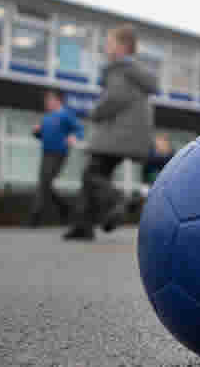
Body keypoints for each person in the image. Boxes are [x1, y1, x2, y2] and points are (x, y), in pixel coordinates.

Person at [63, 24, 158, 241]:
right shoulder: (134, 72)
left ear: (122, 46)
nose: (106, 48)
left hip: (117, 133)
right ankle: (83, 225)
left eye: (109, 43)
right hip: (130, 135)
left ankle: (116, 201)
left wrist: (94, 112)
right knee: (95, 174)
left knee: (92, 174)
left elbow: (114, 98)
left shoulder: (121, 69)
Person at [29, 89, 83, 227]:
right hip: (46, 153)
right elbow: (42, 136)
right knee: (44, 183)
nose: (47, 103)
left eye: (50, 100)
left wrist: (74, 136)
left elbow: (79, 129)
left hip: (59, 153)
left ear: (58, 101)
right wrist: (36, 132)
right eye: (46, 101)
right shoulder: (46, 118)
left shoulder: (66, 115)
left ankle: (34, 218)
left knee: (44, 182)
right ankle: (65, 208)